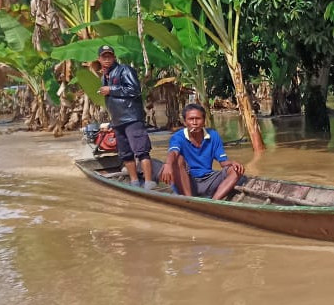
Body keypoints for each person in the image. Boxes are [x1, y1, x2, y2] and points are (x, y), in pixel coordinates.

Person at [97, 44, 155, 189]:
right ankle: (134, 181)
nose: (107, 59)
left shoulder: (124, 70)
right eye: (104, 57)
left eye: (109, 56)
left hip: (131, 118)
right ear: (99, 59)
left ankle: (148, 181)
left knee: (141, 150)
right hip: (117, 121)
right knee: (125, 153)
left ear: (114, 57)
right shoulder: (105, 76)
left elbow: (134, 89)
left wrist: (111, 89)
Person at [158, 103, 245, 200]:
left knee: (235, 170)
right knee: (178, 159)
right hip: (187, 182)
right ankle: (189, 200)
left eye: (198, 119)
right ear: (185, 122)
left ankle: (214, 202)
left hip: (208, 179)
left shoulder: (213, 135)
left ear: (204, 121)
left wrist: (232, 163)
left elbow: (223, 162)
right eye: (191, 119)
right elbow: (173, 152)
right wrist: (168, 165)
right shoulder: (178, 137)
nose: (194, 122)